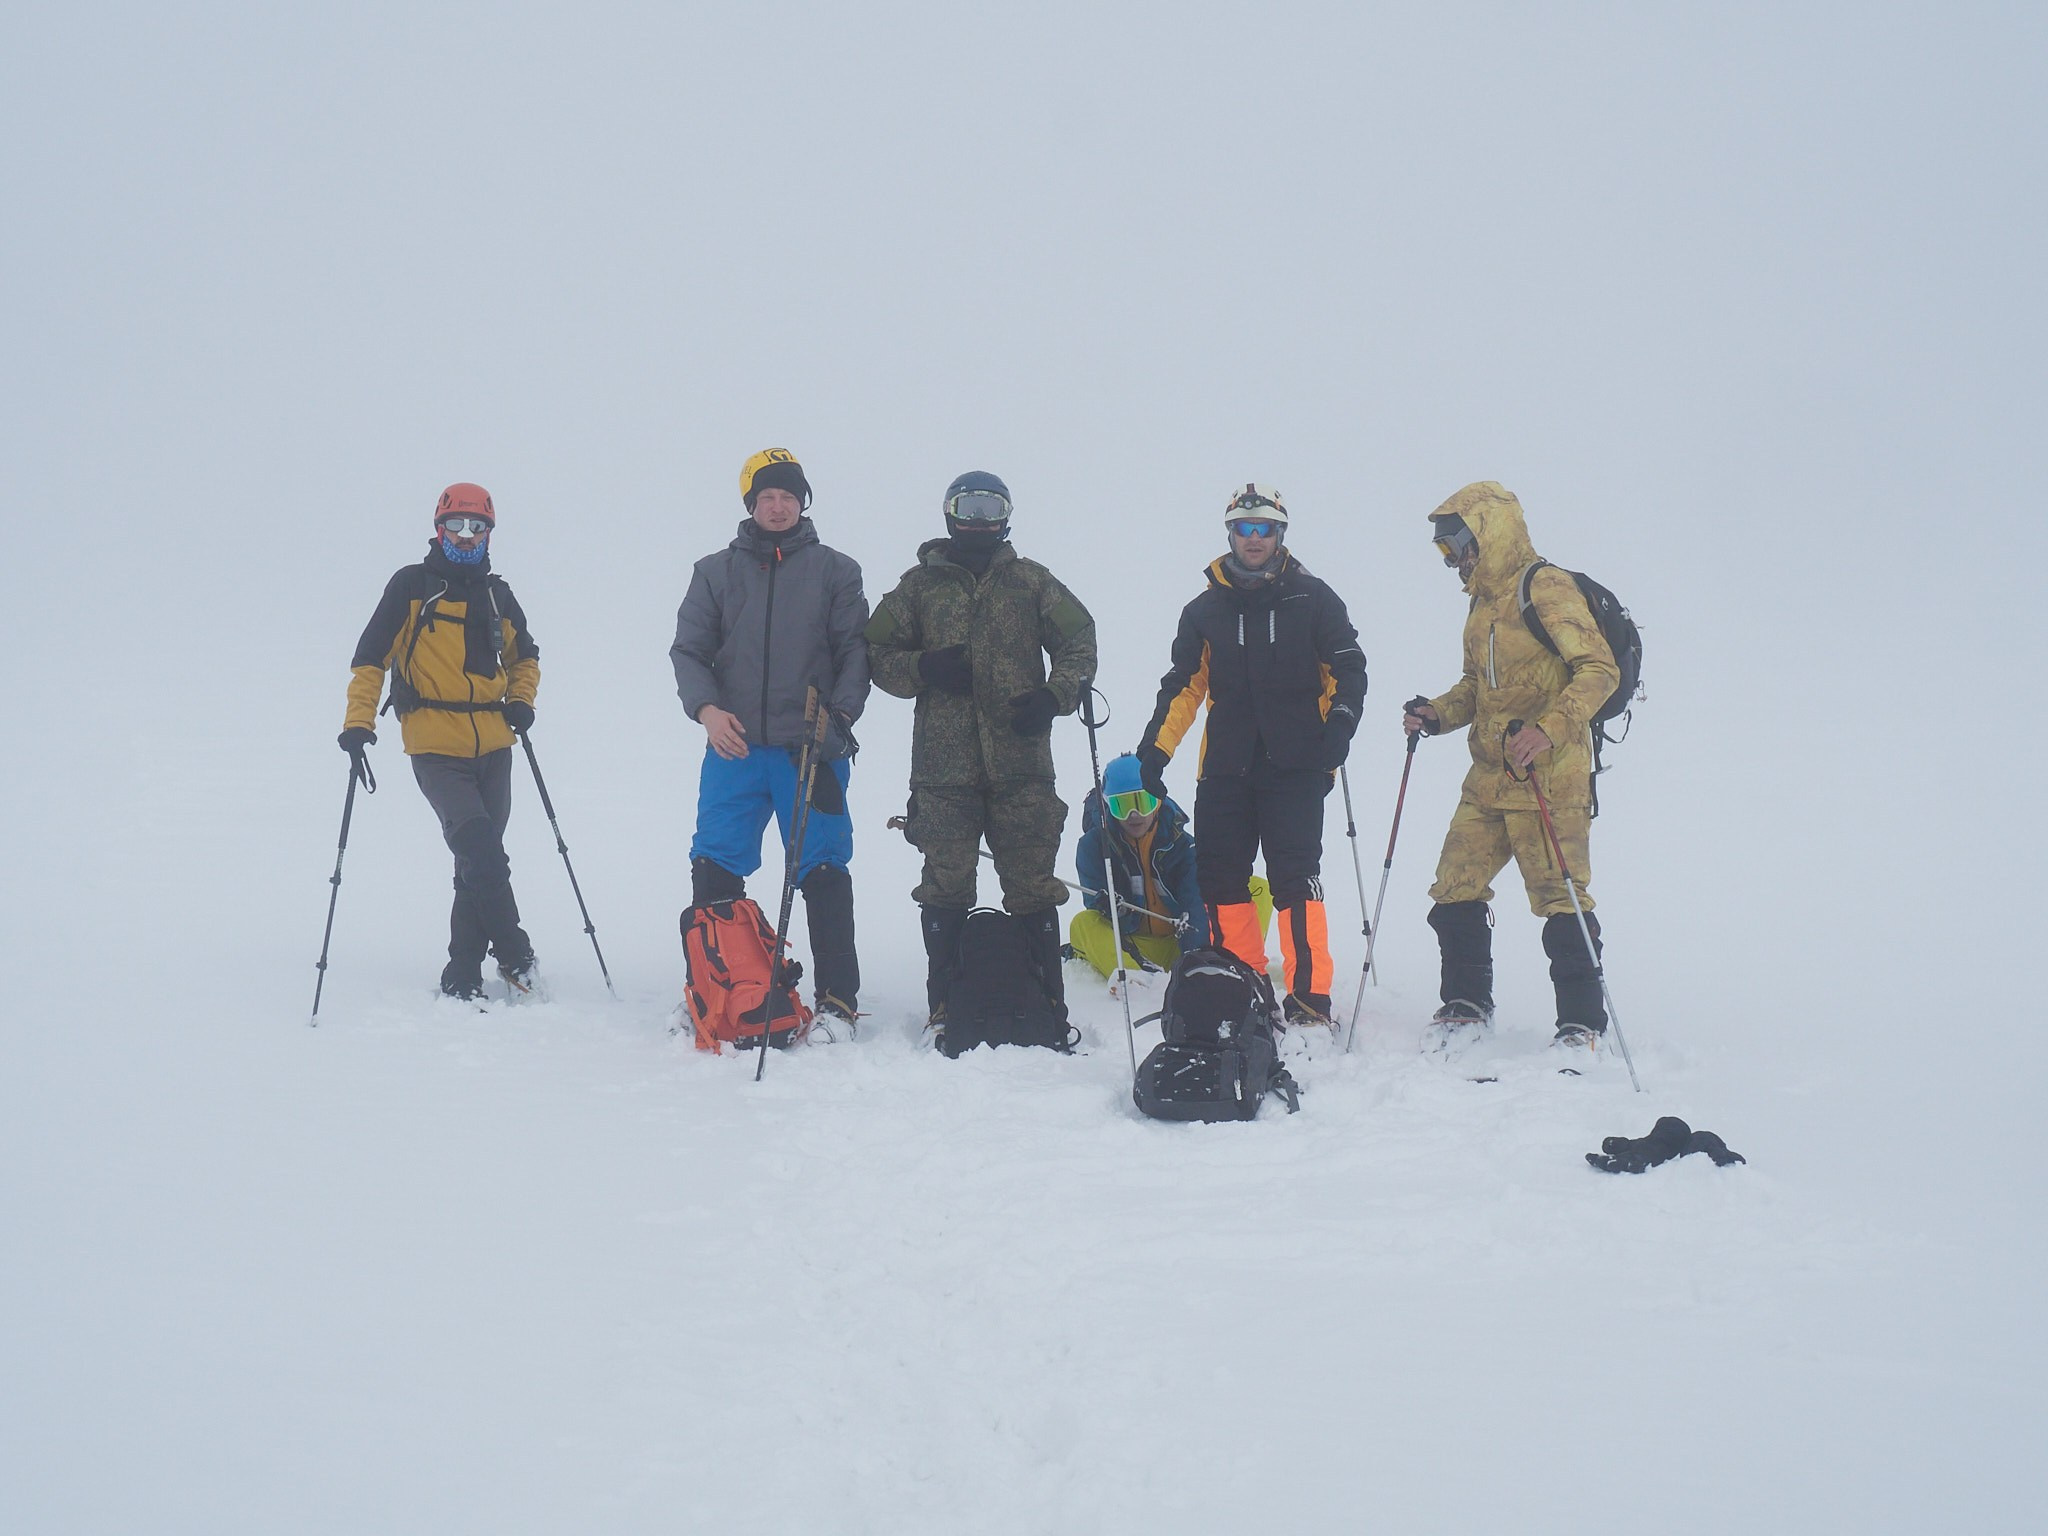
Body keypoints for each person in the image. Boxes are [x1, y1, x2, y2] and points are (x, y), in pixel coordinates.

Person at [864, 471, 1097, 1033]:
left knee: (1033, 884)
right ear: (949, 513)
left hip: (1023, 766)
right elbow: (873, 652)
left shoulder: (1031, 582)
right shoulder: (918, 587)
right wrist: (922, 668)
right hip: (943, 771)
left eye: (990, 506)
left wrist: (1055, 695)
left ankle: (1048, 1001)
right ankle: (944, 1003)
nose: (979, 517)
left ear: (1006, 515)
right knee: (945, 884)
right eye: (968, 505)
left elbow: (1080, 639)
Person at [1402, 481, 1621, 1056]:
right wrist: (1436, 714)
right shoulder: (1480, 605)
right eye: (1444, 548)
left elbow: (1599, 671)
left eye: (1457, 542)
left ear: (1487, 531)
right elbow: (1478, 688)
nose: (1452, 557)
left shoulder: (1545, 587)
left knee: (1560, 895)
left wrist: (1546, 732)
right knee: (1454, 885)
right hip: (1490, 777)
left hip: (1551, 776)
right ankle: (1467, 1004)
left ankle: (1581, 1024)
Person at [1135, 485, 1366, 1026]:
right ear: (1231, 534)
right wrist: (1156, 751)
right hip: (1225, 769)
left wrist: (1340, 726)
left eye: (1264, 528)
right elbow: (1185, 686)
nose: (1254, 538)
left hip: (1298, 764)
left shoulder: (1314, 598)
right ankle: (1243, 987)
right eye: (1245, 528)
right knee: (1219, 879)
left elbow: (1348, 668)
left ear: (1280, 534)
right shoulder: (1204, 609)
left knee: (1295, 879)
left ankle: (1310, 1002)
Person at [670, 448, 870, 1032]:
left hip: (810, 750)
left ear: (802, 502)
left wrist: (837, 721)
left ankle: (837, 1002)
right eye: (766, 497)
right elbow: (689, 650)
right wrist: (706, 709)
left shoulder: (837, 570)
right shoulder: (714, 571)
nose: (777, 506)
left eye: (787, 496)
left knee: (824, 868)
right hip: (733, 748)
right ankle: (717, 985)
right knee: (714, 863)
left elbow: (855, 651)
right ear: (751, 504)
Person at [339, 483, 543, 1000]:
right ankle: (517, 953)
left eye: (478, 527)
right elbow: (370, 658)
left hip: (494, 743)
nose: (467, 536)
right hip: (433, 743)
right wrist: (358, 721)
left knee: (477, 861)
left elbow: (526, 658)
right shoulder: (411, 585)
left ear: (490, 534)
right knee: (481, 850)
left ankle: (462, 973)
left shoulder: (499, 594)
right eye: (457, 526)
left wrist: (522, 701)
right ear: (438, 528)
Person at [1069, 753, 1273, 987]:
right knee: (1083, 923)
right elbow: (1094, 903)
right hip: (1134, 948)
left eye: (1142, 802)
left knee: (1258, 888)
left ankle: (1232, 964)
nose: (1134, 816)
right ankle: (1136, 980)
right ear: (1107, 806)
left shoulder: (1182, 845)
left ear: (1157, 800)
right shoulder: (1093, 847)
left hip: (1183, 944)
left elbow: (1195, 902)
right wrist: (1110, 906)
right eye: (1121, 806)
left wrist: (1196, 959)